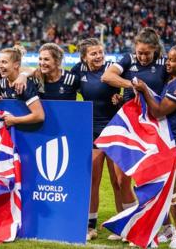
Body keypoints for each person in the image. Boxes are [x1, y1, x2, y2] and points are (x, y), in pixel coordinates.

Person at [133, 44, 176, 249]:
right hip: (165, 139)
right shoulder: (172, 78)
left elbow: (159, 111)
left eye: (172, 60)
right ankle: (168, 229)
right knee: (158, 187)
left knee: (173, 190)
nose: (167, 63)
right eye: (168, 58)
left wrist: (144, 89)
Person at [101, 27, 167, 221]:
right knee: (122, 179)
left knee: (148, 178)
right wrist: (132, 85)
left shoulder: (164, 63)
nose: (143, 57)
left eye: (147, 53)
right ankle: (132, 221)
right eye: (140, 53)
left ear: (156, 50)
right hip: (128, 124)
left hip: (154, 125)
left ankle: (156, 222)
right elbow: (107, 76)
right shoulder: (129, 60)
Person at [70, 38, 123, 241]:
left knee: (119, 181)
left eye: (100, 52)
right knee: (93, 180)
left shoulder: (113, 68)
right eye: (93, 53)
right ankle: (90, 226)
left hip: (115, 130)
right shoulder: (78, 71)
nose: (99, 56)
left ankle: (123, 224)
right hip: (91, 131)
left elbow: (131, 86)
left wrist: (121, 98)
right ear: (84, 57)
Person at [0, 46, 45, 126]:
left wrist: (14, 120)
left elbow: (39, 116)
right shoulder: (2, 81)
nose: (0, 66)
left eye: (4, 62)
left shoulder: (24, 85)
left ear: (16, 65)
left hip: (31, 132)